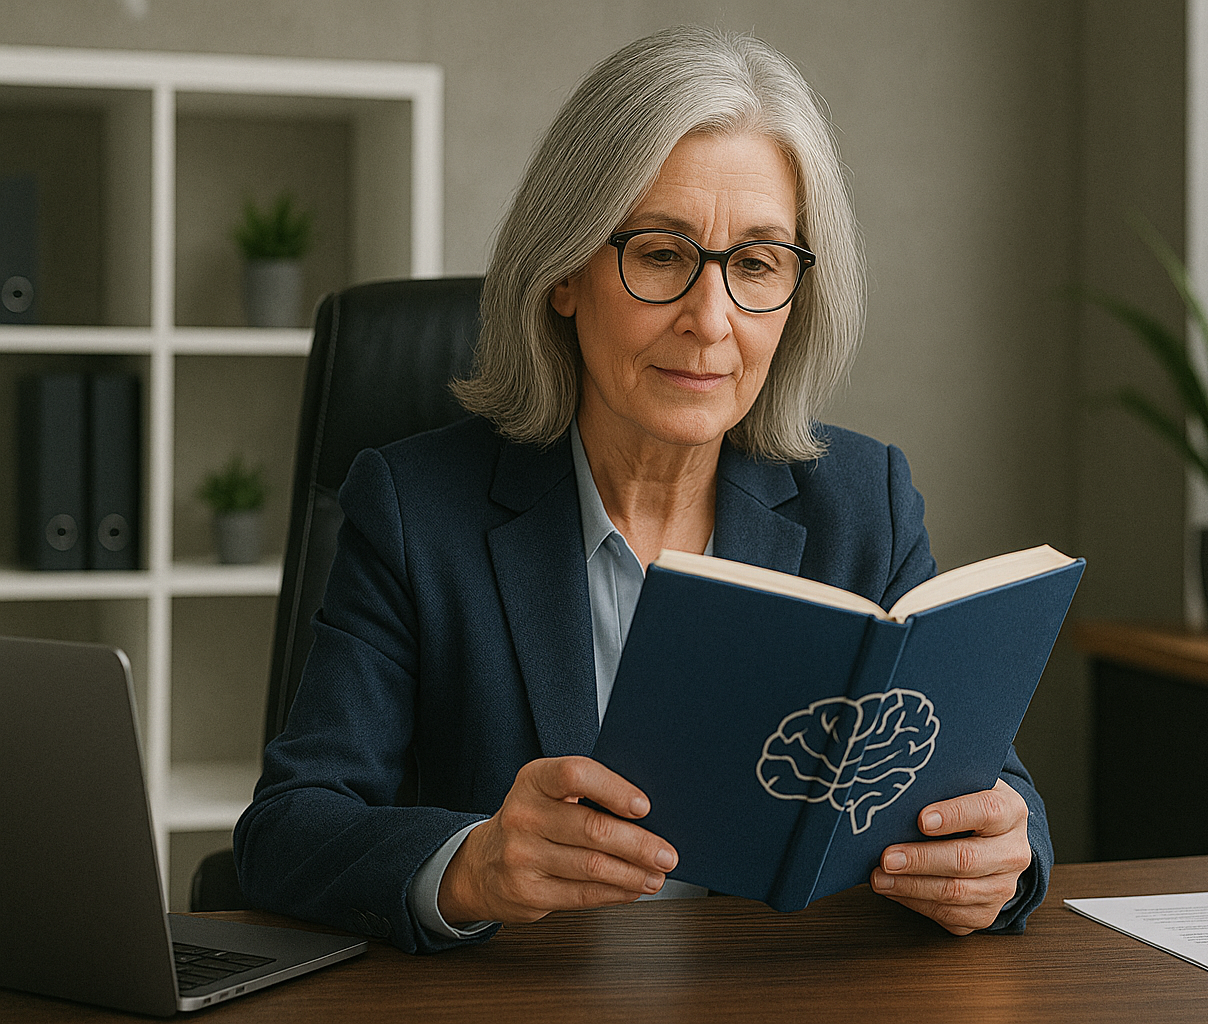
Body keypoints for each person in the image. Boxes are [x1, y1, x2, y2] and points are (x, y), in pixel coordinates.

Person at [233, 25, 1052, 955]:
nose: (712, 321)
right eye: (662, 254)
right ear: (566, 274)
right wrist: (473, 865)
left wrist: (1001, 859)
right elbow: (288, 833)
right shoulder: (417, 510)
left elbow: (992, 794)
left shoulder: (864, 503)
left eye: (756, 264)